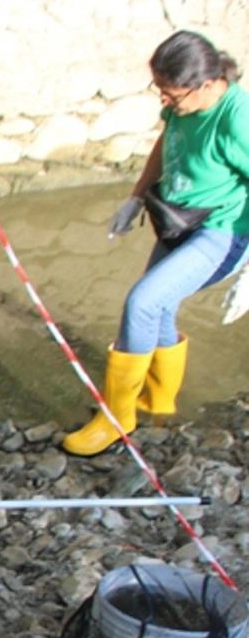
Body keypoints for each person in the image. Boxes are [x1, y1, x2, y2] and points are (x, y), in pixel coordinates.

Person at [62, 30, 249, 456]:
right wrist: (135, 196)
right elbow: (165, 146)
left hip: (222, 229)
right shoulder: (182, 106)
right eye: (160, 92)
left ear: (207, 85)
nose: (166, 102)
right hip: (178, 218)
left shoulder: (238, 118)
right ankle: (159, 402)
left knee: (142, 302)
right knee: (160, 306)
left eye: (173, 95)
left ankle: (117, 419)